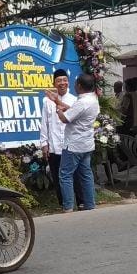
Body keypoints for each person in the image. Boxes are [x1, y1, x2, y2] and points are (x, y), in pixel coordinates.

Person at [46, 73, 99, 212]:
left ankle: (68, 206)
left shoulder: (82, 102)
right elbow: (74, 111)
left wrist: (58, 110)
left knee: (65, 175)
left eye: (74, 83)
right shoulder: (93, 99)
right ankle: (90, 204)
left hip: (74, 145)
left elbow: (65, 119)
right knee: (86, 174)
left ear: (79, 86)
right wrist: (57, 101)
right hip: (86, 144)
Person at [39, 69, 82, 209]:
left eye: (64, 80)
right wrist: (44, 144)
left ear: (68, 82)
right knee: (57, 176)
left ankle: (81, 201)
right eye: (59, 81)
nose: (62, 83)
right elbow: (44, 123)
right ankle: (63, 203)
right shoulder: (47, 101)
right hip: (54, 145)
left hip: (72, 144)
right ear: (54, 83)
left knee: (76, 175)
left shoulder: (74, 100)